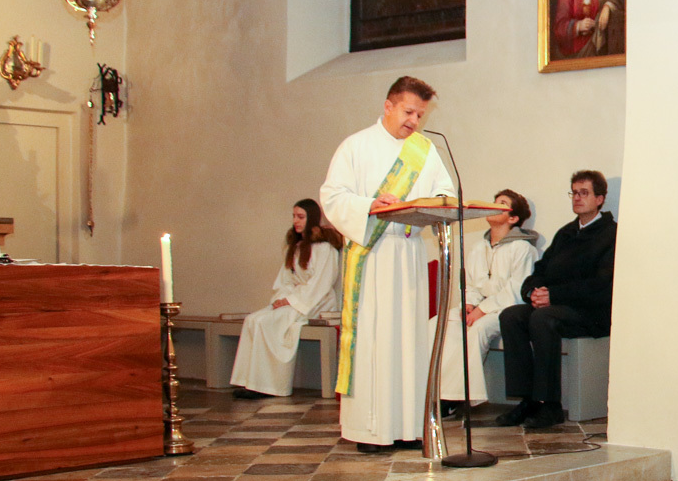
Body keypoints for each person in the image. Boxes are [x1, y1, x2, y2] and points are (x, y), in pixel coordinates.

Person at [320, 76, 456, 452]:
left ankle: (410, 428)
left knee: (410, 340)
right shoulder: (356, 146)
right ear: (388, 106)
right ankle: (371, 430)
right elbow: (332, 197)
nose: (414, 121)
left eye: (420, 115)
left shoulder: (424, 151)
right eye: (409, 112)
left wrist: (430, 202)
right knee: (376, 341)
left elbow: (445, 193)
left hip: (409, 254)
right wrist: (370, 205)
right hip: (373, 254)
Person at [497, 170, 617, 430]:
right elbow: (541, 269)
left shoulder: (611, 233)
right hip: (557, 306)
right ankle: (528, 400)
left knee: (543, 318)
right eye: (574, 192)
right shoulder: (566, 233)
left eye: (584, 193)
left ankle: (550, 404)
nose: (577, 198)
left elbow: (601, 285)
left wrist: (554, 296)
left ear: (599, 199)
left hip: (590, 313)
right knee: (511, 315)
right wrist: (532, 292)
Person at [438, 189, 540, 411]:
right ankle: (435, 391)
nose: (493, 206)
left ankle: (456, 399)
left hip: (508, 310)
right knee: (441, 324)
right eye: (493, 201)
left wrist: (482, 310)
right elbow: (471, 284)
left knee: (477, 330)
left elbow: (516, 291)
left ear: (513, 218)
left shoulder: (523, 248)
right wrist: (468, 304)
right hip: (480, 307)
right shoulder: (479, 248)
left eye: (501, 204)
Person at [229, 199, 343, 398]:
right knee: (252, 320)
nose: (295, 221)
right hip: (295, 299)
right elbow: (286, 280)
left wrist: (291, 301)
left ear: (312, 218)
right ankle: (249, 381)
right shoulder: (296, 247)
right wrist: (283, 298)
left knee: (266, 323)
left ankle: (269, 386)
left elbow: (321, 284)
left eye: (301, 217)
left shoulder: (325, 248)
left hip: (317, 302)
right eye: (294, 216)